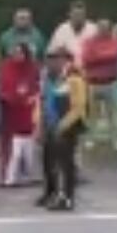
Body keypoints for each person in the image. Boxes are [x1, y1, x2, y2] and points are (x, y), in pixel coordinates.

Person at [41, 47, 88, 212]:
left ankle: (68, 198)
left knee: (66, 165)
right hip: (54, 125)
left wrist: (62, 126)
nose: (51, 62)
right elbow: (46, 101)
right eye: (50, 58)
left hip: (68, 127)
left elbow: (78, 107)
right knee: (54, 164)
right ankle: (57, 194)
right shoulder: (56, 78)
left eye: (55, 58)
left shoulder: (75, 79)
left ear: (65, 60)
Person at [0, 41, 42, 187]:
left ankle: (28, 174)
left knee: (29, 151)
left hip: (28, 113)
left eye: (20, 52)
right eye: (14, 52)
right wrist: (9, 98)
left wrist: (33, 97)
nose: (17, 55)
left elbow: (37, 87)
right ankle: (9, 177)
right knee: (14, 151)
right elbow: (3, 88)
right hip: (11, 113)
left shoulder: (33, 68)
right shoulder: (6, 67)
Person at [84, 19, 117, 147]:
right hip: (93, 82)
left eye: (106, 28)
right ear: (97, 28)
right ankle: (91, 138)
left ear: (109, 29)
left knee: (114, 113)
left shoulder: (115, 41)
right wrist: (106, 56)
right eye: (101, 27)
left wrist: (99, 55)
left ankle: (116, 139)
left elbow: (116, 54)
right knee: (92, 114)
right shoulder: (89, 42)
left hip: (111, 82)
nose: (103, 30)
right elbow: (87, 58)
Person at [48, 0, 96, 66]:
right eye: (76, 14)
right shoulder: (61, 29)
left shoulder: (93, 29)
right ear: (69, 14)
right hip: (66, 69)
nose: (78, 17)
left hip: (89, 68)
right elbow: (51, 53)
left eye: (81, 15)